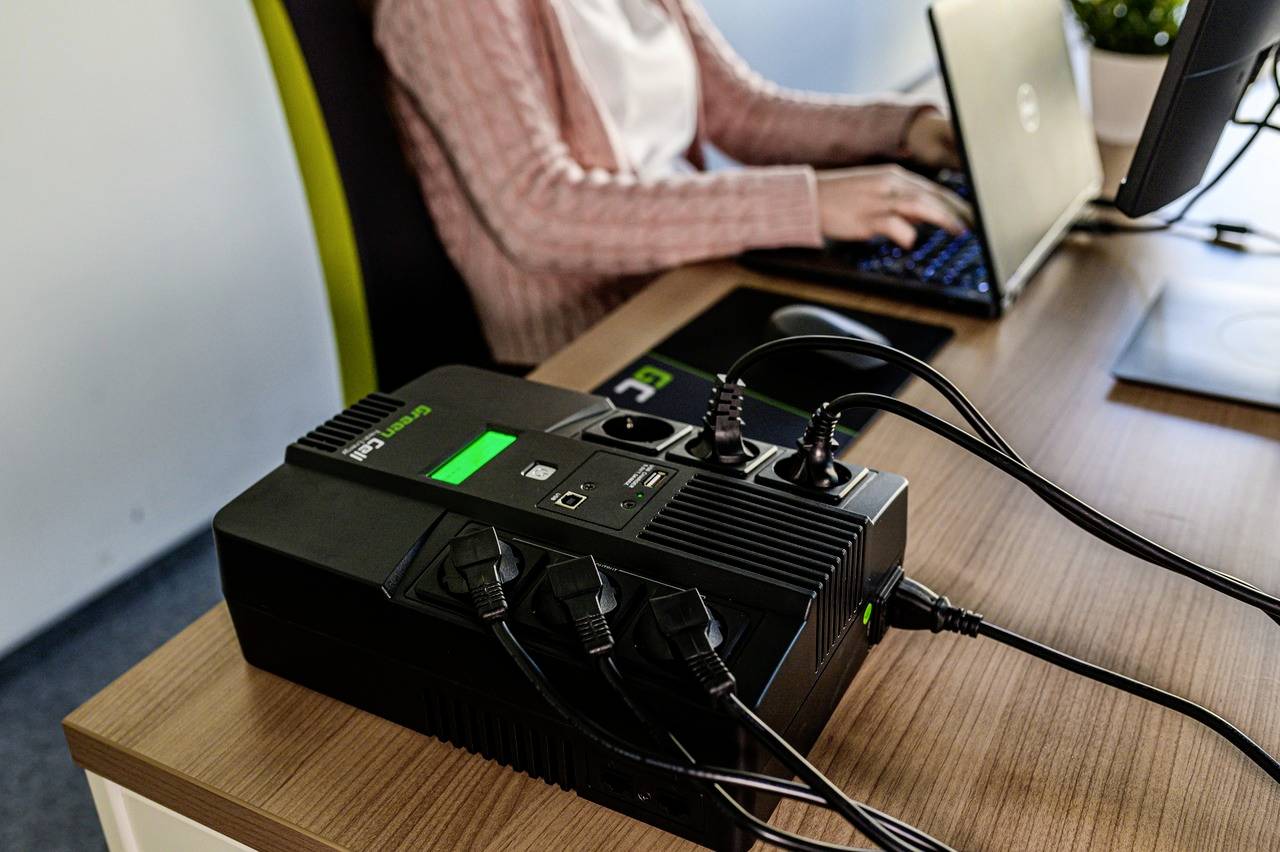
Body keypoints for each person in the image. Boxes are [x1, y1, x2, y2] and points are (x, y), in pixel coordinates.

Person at [375, 0, 971, 366]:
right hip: (596, 340)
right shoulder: (442, 8)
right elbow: (536, 210)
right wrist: (806, 204)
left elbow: (740, 111)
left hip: (698, 279)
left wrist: (906, 127)